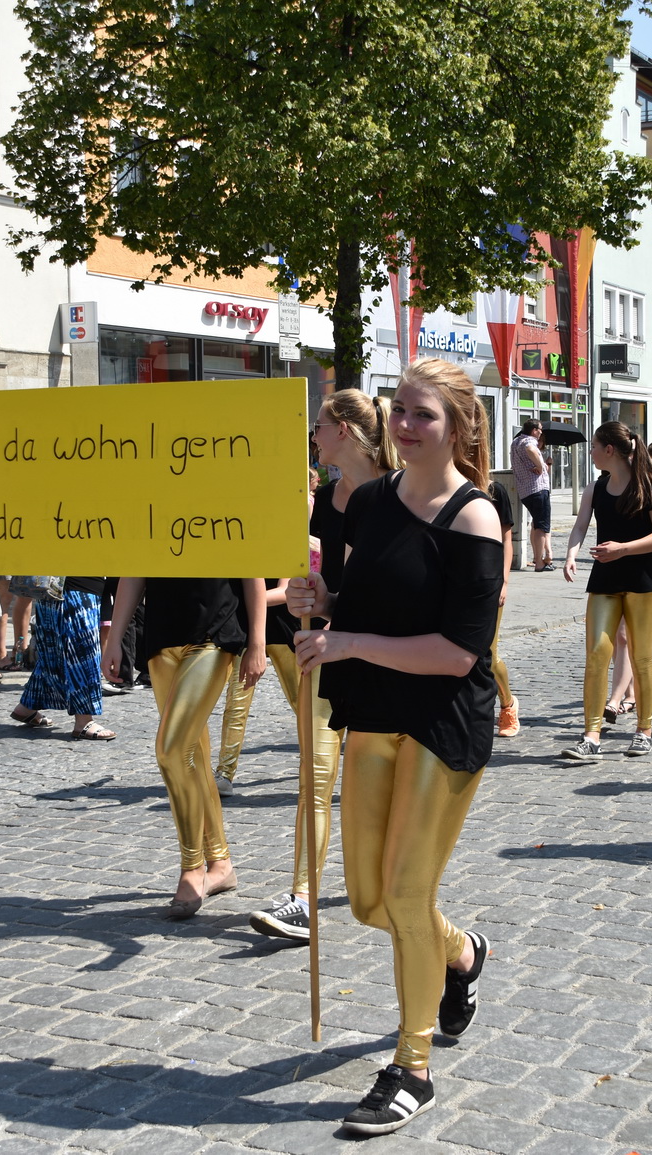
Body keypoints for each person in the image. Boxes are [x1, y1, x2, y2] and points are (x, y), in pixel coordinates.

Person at [285, 357, 501, 1135]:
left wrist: (347, 641)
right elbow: (355, 602)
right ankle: (461, 953)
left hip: (443, 722)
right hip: (374, 712)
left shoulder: (475, 518)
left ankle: (412, 1066)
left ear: (460, 426)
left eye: (425, 415)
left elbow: (457, 652)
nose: (407, 426)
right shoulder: (368, 500)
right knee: (371, 900)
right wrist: (322, 601)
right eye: (401, 411)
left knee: (405, 895)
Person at [249, 390, 400, 942]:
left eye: (318, 425)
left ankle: (393, 885)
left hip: (384, 660)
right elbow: (321, 582)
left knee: (379, 784)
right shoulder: (324, 497)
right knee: (314, 774)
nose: (312, 435)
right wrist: (303, 598)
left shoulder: (395, 494)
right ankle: (302, 897)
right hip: (322, 652)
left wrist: (342, 616)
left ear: (342, 429)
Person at [107, 577, 266, 917]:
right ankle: (221, 864)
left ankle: (192, 867)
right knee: (192, 754)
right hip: (162, 635)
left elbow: (252, 569)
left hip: (214, 629)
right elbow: (135, 569)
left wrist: (258, 641)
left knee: (171, 750)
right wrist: (115, 636)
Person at [560, 421, 652, 760]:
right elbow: (581, 525)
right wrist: (570, 553)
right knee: (596, 653)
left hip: (643, 581)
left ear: (610, 450)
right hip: (605, 580)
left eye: (595, 446)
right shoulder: (596, 488)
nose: (591, 452)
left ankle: (644, 730)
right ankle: (591, 735)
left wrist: (622, 549)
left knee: (641, 656)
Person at [10, 578, 113, 739]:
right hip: (75, 584)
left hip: (56, 586)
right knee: (83, 652)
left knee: (51, 654)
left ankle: (27, 706)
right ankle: (83, 719)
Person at [486, 477, 520, 738]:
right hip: (453, 583)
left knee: (488, 654)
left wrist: (504, 581)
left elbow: (506, 538)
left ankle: (508, 703)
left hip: (489, 581)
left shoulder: (493, 489)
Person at [510, 418, 553, 571]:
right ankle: (540, 563)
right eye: (540, 429)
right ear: (534, 430)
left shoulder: (515, 442)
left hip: (525, 490)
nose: (541, 432)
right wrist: (540, 466)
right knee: (541, 526)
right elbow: (530, 449)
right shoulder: (529, 441)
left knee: (536, 524)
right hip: (537, 488)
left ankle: (538, 558)